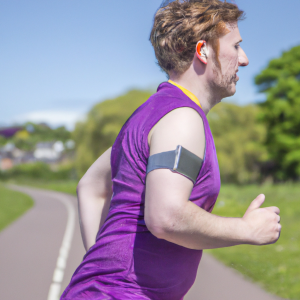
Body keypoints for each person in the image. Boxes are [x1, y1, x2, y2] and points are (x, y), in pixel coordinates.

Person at [61, 0, 281, 299]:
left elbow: (90, 185)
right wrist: (247, 229)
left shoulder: (151, 116)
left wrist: (102, 264)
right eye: (236, 46)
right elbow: (166, 217)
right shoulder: (181, 119)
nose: (244, 59)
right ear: (203, 51)